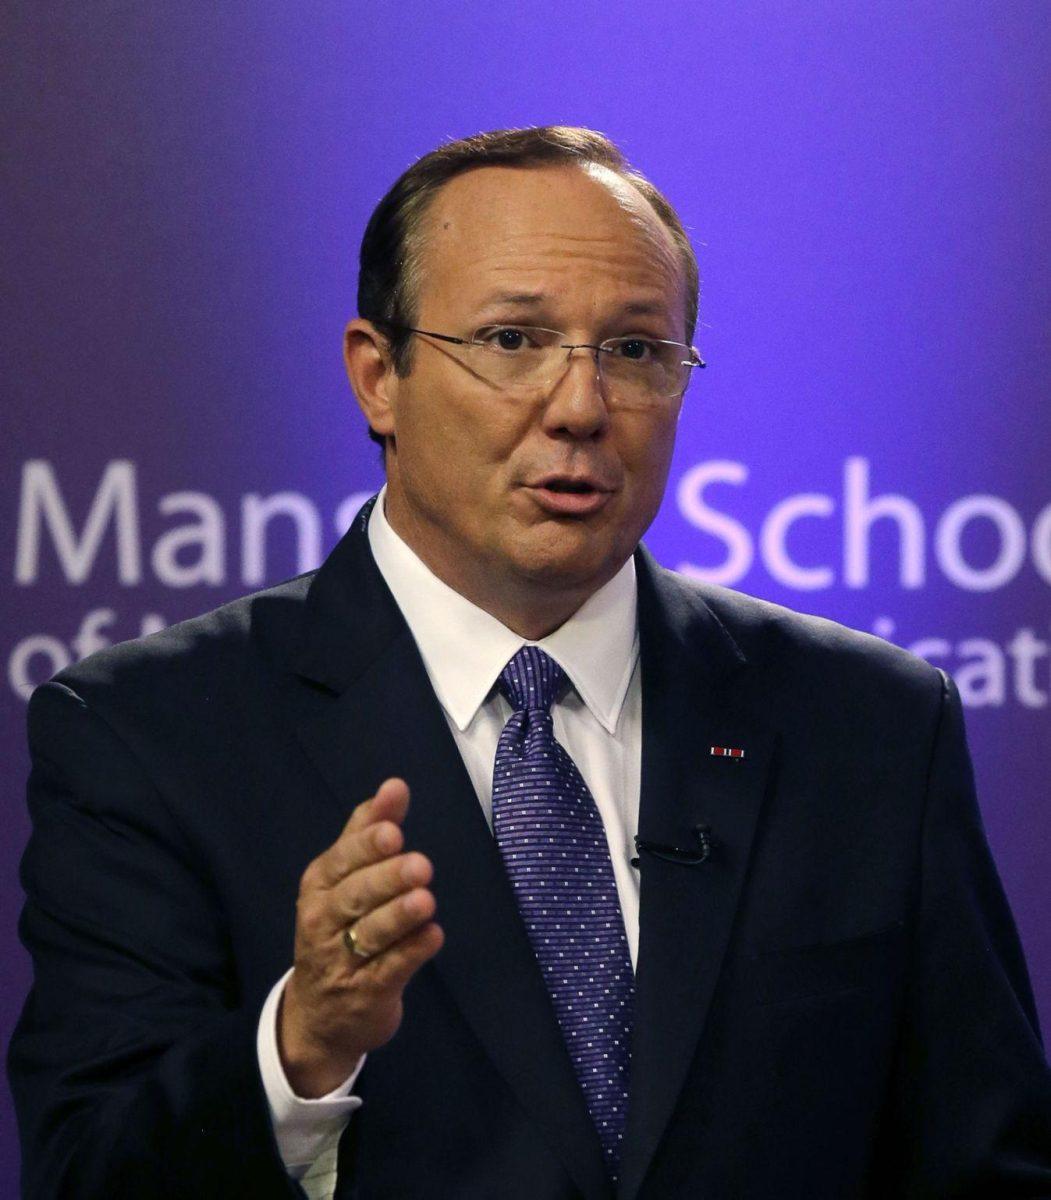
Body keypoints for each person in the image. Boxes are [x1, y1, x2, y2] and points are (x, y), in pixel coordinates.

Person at [9, 126, 1051, 1200]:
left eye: (636, 351)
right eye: (513, 340)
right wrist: (299, 1048)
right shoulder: (150, 733)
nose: (581, 407)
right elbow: (89, 1169)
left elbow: (984, 1161)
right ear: (379, 377)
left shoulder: (870, 725)